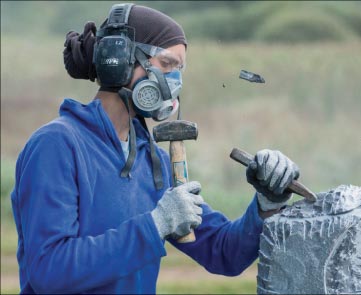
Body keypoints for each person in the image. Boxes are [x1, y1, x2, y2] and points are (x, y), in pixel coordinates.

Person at [10, 4, 300, 294]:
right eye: (167, 64)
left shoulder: (154, 162)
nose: (175, 82)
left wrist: (267, 203)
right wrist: (155, 224)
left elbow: (224, 252)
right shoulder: (56, 145)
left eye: (179, 70)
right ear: (120, 59)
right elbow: (50, 270)